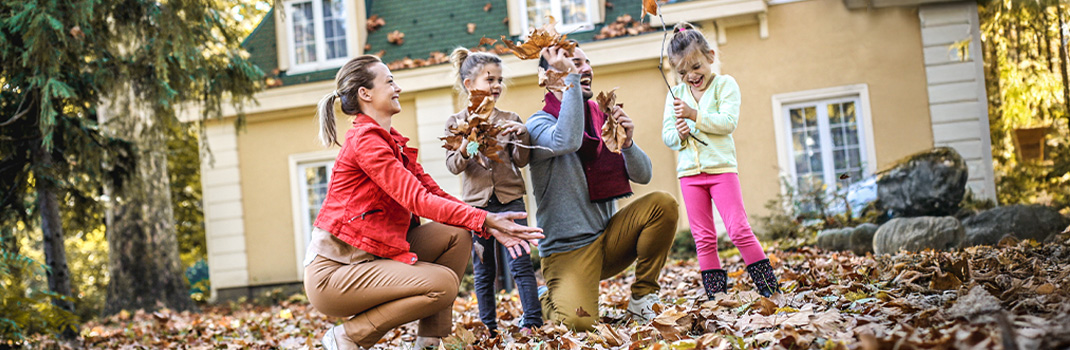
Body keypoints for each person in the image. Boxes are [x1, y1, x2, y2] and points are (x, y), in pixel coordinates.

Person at [304, 55, 544, 350]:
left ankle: (429, 339)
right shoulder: (365, 142)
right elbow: (417, 200)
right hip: (336, 274)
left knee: (456, 234)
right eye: (390, 81)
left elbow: (434, 192)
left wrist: (485, 222)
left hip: (375, 256)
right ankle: (348, 335)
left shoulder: (390, 141)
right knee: (442, 284)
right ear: (365, 94)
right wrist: (485, 219)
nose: (398, 88)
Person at [526, 45, 679, 331]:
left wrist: (628, 143)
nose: (584, 68)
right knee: (577, 324)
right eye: (573, 63)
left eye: (586, 62)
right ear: (547, 76)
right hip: (568, 253)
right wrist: (570, 77)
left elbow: (643, 175)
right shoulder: (537, 124)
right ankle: (543, 297)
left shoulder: (601, 119)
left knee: (663, 204)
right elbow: (566, 140)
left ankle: (643, 295)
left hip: (610, 240)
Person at [660, 22, 781, 299]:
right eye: (682, 72)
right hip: (690, 176)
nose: (691, 76)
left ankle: (770, 289)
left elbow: (727, 123)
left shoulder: (725, 85)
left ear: (710, 57)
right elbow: (667, 135)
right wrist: (678, 135)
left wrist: (694, 116)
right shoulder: (675, 95)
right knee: (703, 239)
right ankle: (717, 298)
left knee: (738, 229)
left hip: (722, 171)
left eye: (696, 67)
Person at [443, 48, 543, 335]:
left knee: (520, 262)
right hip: (478, 209)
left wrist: (521, 135)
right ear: (469, 85)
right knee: (485, 270)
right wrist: (467, 145)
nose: (497, 85)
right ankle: (488, 327)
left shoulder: (509, 117)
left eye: (499, 80)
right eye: (490, 79)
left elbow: (521, 161)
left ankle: (533, 322)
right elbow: (453, 165)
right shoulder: (455, 123)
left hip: (510, 200)